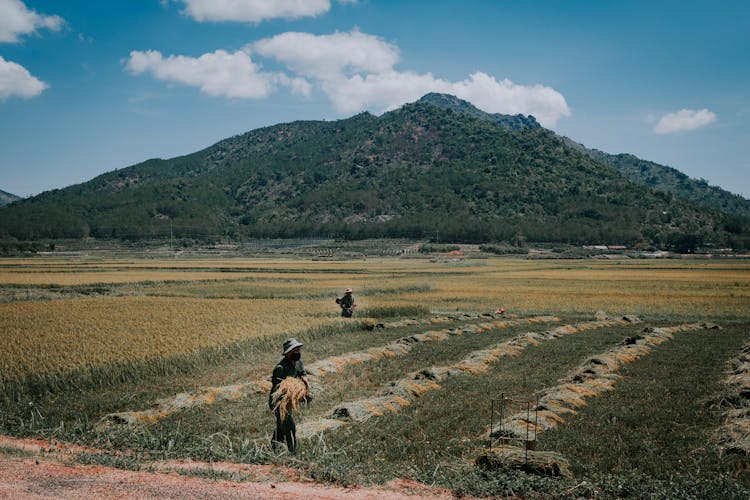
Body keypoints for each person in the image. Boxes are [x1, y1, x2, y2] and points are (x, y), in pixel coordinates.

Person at [269, 338, 309, 453]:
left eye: (298, 350)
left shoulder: (298, 362)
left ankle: (274, 448)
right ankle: (293, 452)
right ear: (288, 353)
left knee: (282, 427)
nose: (298, 352)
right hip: (279, 402)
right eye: (295, 350)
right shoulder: (280, 368)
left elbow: (302, 372)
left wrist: (304, 379)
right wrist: (293, 388)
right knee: (290, 426)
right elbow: (278, 388)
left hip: (289, 401)